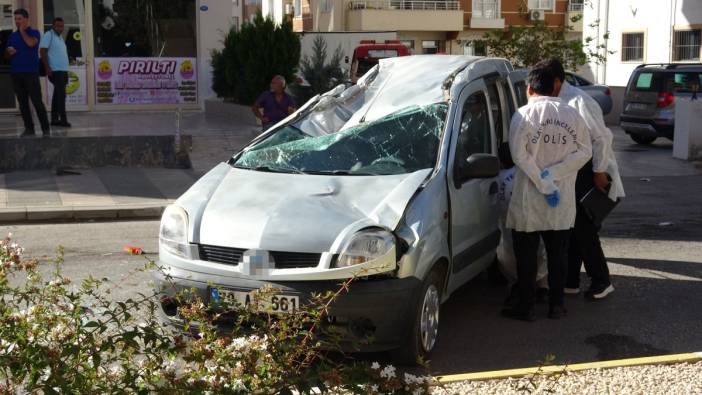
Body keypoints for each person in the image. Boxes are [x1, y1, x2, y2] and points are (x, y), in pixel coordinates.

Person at [502, 65, 592, 321]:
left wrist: (542, 180)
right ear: (555, 86)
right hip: (561, 199)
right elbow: (585, 152)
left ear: (529, 88)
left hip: (528, 198)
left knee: (526, 256)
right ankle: (557, 305)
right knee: (558, 255)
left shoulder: (523, 114)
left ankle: (526, 306)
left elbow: (519, 155)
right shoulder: (573, 114)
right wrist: (554, 175)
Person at [542, 58, 625, 300]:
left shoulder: (580, 101)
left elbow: (601, 139)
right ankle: (571, 280)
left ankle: (601, 281)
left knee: (584, 228)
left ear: (558, 81)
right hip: (572, 170)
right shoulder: (557, 99)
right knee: (573, 226)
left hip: (589, 171)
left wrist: (599, 172)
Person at [495, 143, 549, 307]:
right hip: (533, 222)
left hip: (510, 225)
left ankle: (518, 289)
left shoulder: (500, 177)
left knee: (513, 256)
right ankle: (543, 287)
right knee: (538, 252)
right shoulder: (529, 173)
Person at [5, 8, 50, 137]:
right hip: (16, 73)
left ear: (26, 19)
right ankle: (29, 128)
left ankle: (45, 128)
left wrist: (22, 31)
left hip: (31, 73)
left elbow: (31, 44)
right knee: (23, 103)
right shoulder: (12, 36)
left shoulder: (34, 32)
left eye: (19, 19)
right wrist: (8, 52)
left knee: (37, 102)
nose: (17, 21)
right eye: (15, 19)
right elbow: (6, 56)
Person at [40, 17, 71, 127]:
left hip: (63, 69)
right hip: (55, 70)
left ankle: (54, 119)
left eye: (61, 26)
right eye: (57, 26)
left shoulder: (60, 38)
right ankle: (63, 120)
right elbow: (42, 50)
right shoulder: (49, 35)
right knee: (61, 95)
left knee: (57, 95)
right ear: (53, 26)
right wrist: (47, 67)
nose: (60, 28)